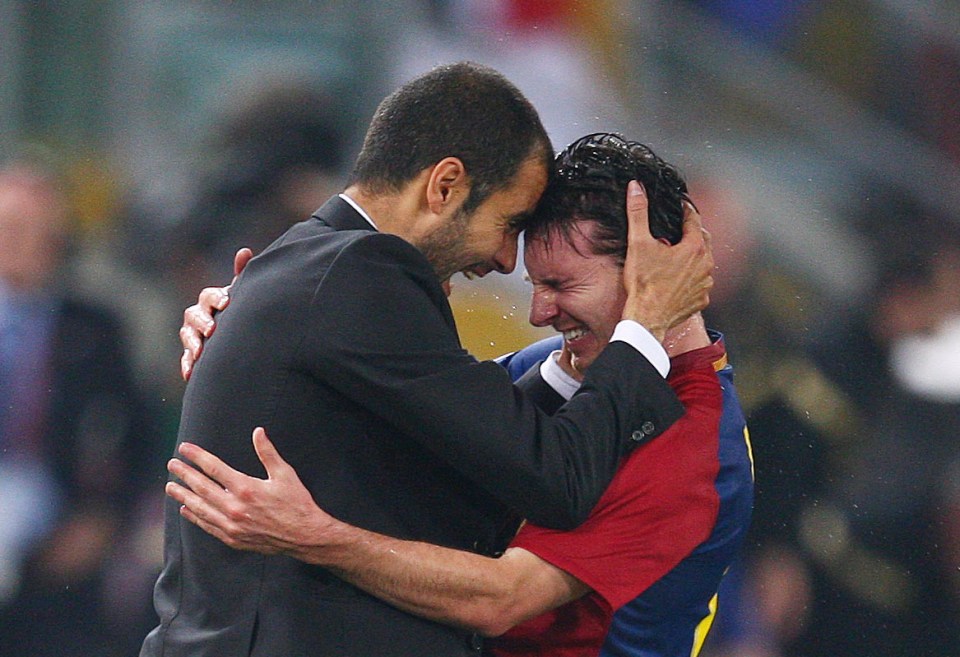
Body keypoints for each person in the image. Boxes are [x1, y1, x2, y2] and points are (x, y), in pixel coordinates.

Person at [142, 63, 714, 657]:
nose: (503, 258)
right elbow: (556, 478)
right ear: (444, 187)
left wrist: (579, 362)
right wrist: (643, 325)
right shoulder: (362, 278)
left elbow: (470, 442)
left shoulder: (304, 267)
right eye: (510, 224)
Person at [0, 159, 157, 656]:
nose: (26, 244)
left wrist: (103, 520)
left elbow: (139, 434)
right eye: (11, 229)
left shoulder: (95, 327)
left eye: (42, 231)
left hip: (60, 546)